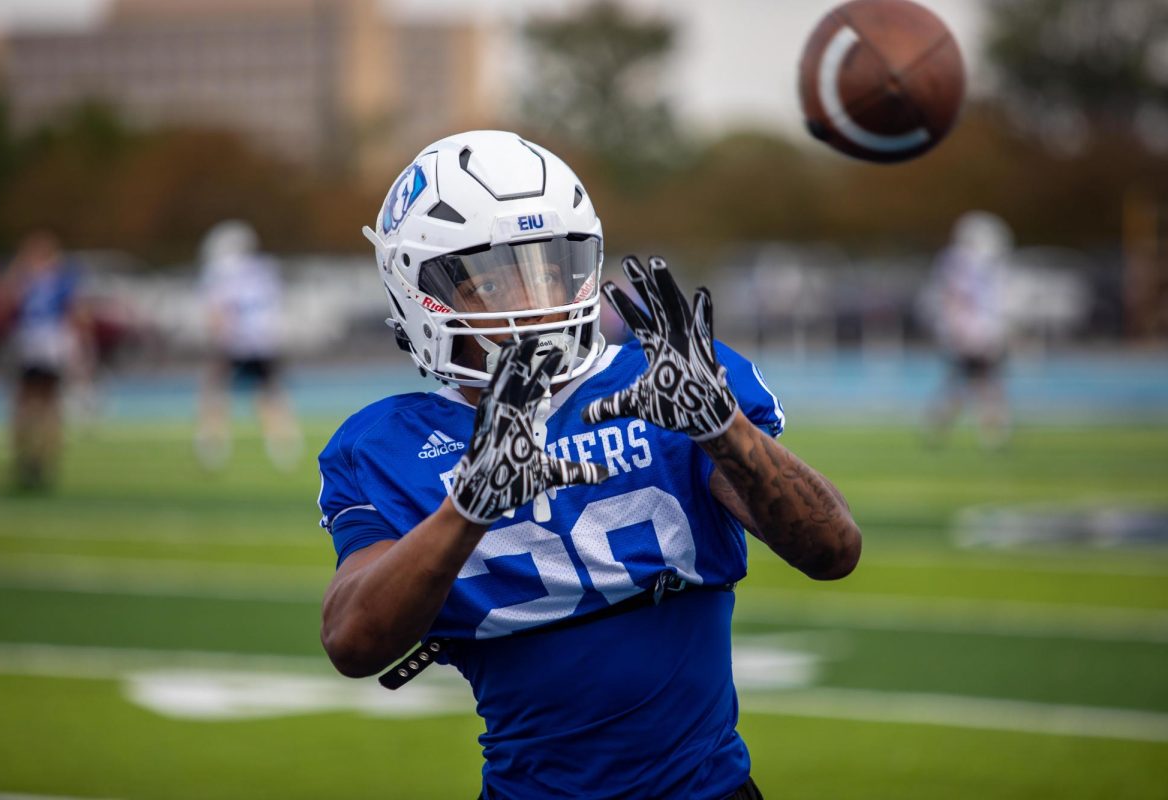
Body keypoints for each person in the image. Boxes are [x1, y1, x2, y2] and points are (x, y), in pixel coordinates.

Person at [317, 130, 861, 800]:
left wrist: (726, 430)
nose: (537, 301)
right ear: (418, 292)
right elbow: (352, 641)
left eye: (552, 268)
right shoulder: (390, 443)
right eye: (496, 280)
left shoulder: (662, 383)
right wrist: (469, 508)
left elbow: (833, 551)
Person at [195, 220, 302, 471]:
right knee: (269, 394)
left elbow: (219, 311)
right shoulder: (264, 269)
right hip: (265, 340)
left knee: (215, 391)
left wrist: (218, 338)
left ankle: (212, 444)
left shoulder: (219, 271)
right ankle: (284, 445)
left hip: (235, 340)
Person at [6, 230, 88, 490]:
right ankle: (41, 463)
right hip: (49, 344)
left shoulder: (25, 278)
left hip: (32, 342)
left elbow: (4, 303)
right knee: (47, 406)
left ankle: (29, 461)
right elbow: (77, 314)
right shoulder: (61, 279)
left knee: (28, 404)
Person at [925, 210, 1014, 449]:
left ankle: (939, 427)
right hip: (974, 335)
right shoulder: (963, 263)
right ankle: (991, 435)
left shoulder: (969, 263)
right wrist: (961, 331)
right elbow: (956, 300)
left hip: (974, 334)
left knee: (965, 385)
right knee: (983, 385)